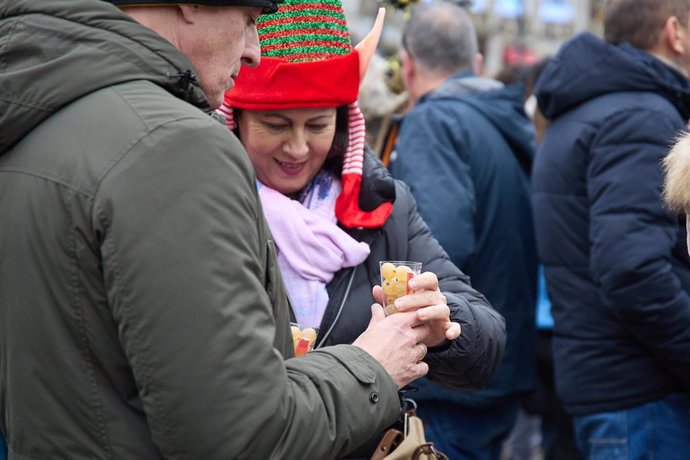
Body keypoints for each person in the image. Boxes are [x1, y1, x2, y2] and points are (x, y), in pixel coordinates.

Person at [0, 1, 454, 458]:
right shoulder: (175, 144)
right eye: (250, 20)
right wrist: (371, 365)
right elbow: (243, 435)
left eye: (317, 124)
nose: (254, 50)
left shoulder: (45, 122)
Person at [218, 1, 507, 457]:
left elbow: (486, 345)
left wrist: (445, 321)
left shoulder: (383, 209)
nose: (297, 148)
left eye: (316, 125)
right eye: (275, 124)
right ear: (234, 122)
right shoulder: (209, 211)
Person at [532, 0, 690, 457]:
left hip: (615, 386)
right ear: (675, 33)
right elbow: (632, 269)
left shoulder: (599, 106)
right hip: (642, 395)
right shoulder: (641, 115)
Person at [387, 3, 538, 460]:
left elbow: (436, 251)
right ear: (475, 64)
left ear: (408, 67)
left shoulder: (434, 122)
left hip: (451, 385)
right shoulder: (496, 120)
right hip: (496, 369)